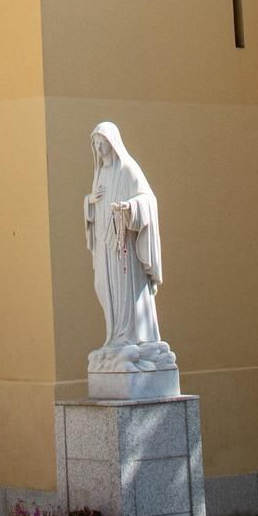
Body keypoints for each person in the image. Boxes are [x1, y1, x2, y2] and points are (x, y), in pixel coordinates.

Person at [84, 122, 175, 373]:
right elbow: (95, 205)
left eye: (102, 142)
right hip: (105, 246)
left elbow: (148, 200)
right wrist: (90, 202)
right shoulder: (100, 173)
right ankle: (115, 338)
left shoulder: (128, 168)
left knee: (125, 293)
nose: (99, 148)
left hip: (124, 247)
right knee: (104, 287)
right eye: (95, 144)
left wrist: (129, 208)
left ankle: (133, 339)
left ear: (112, 143)